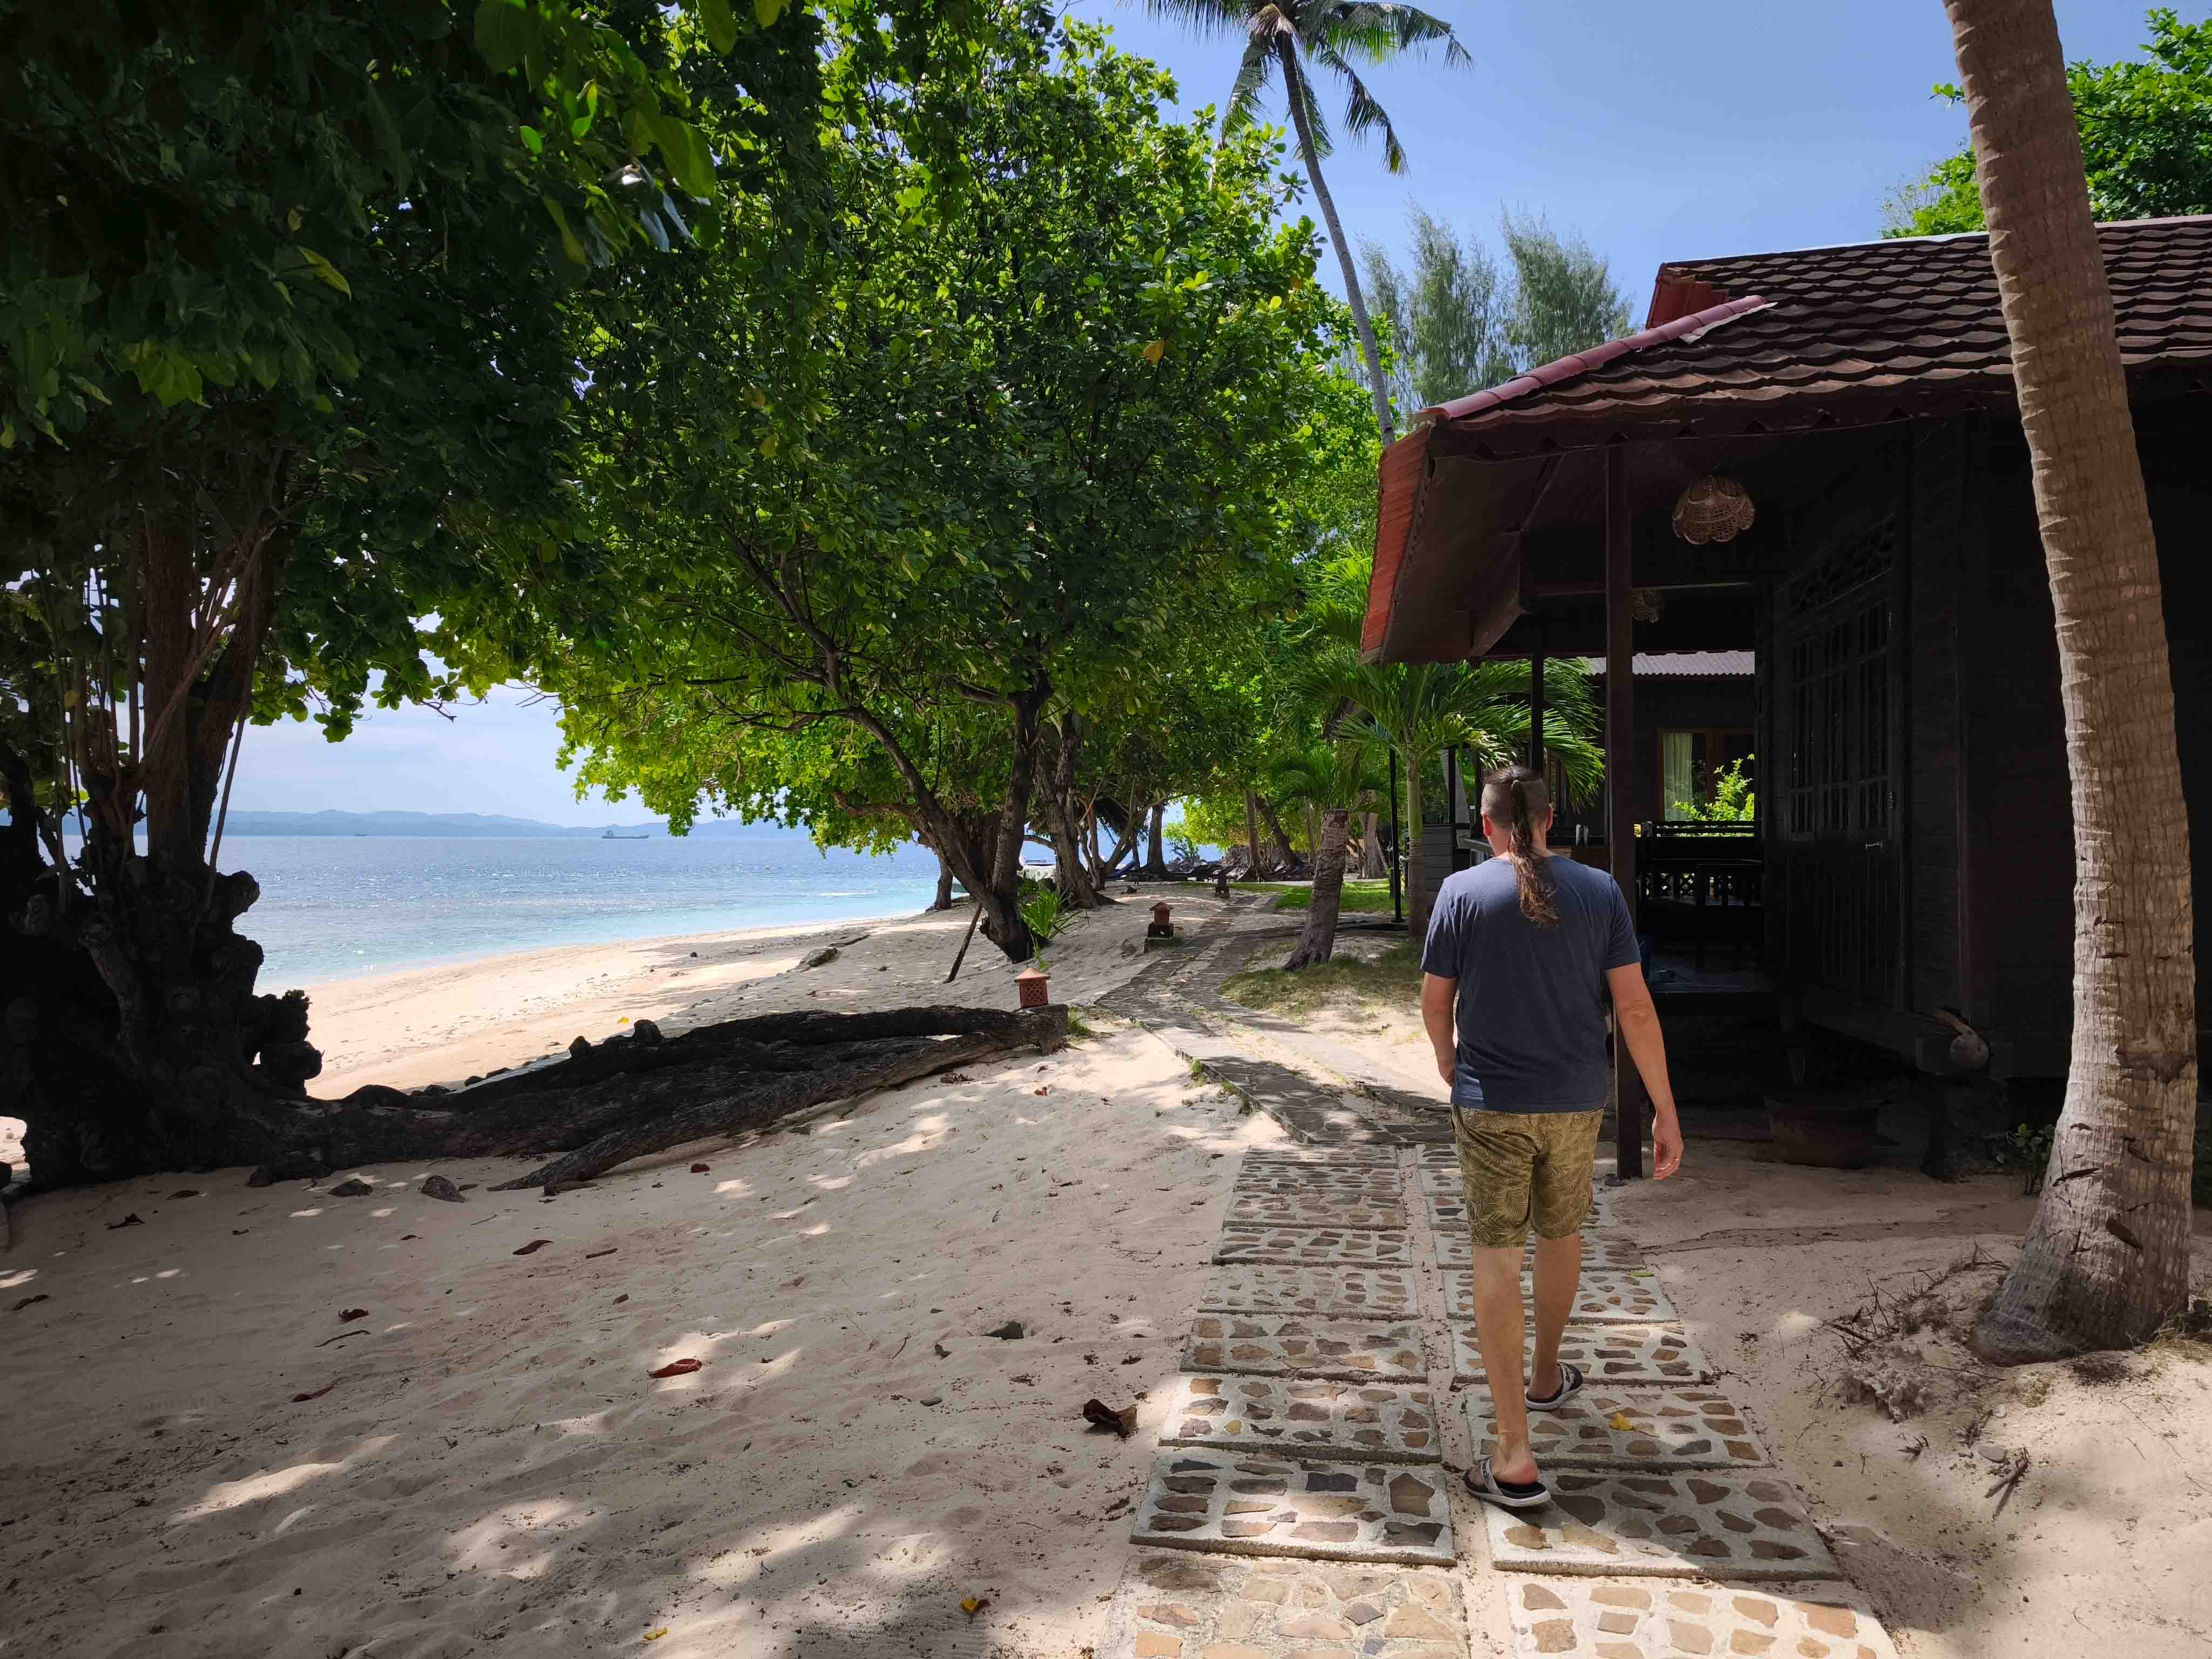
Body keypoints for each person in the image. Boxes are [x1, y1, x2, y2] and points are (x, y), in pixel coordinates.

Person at [1419, 764, 1683, 1510]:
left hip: (1492, 1106)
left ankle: (1513, 1452)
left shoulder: (1461, 893)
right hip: (1575, 1104)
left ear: (1488, 825)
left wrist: (1447, 1059)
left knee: (1496, 1254)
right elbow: (1635, 1009)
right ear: (1550, 819)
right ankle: (1545, 1377)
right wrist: (1664, 1108)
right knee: (1561, 1234)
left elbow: (1436, 1003)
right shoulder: (1600, 891)